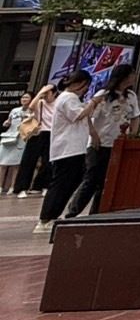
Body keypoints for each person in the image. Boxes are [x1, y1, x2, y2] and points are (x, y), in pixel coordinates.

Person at [66, 63, 140, 217]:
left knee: (107, 181)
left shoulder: (131, 96)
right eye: (131, 74)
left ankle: (96, 213)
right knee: (92, 178)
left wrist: (133, 134)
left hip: (118, 143)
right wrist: (93, 134)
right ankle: (73, 211)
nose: (134, 77)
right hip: (100, 143)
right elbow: (88, 115)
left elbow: (135, 117)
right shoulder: (103, 94)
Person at [35, 71, 104, 234]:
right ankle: (46, 218)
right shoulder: (68, 98)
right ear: (79, 83)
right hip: (67, 149)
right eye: (85, 85)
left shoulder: (71, 98)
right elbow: (78, 115)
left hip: (74, 149)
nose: (86, 89)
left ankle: (52, 216)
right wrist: (93, 102)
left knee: (70, 182)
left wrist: (93, 133)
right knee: (61, 184)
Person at [15, 83, 56, 197]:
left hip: (51, 133)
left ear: (54, 93)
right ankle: (22, 188)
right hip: (37, 132)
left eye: (48, 93)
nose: (46, 95)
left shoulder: (58, 103)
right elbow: (31, 107)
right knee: (28, 161)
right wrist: (40, 93)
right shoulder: (40, 102)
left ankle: (42, 186)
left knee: (48, 162)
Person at [0, 91, 30, 193]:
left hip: (21, 138)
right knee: (3, 163)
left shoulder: (32, 111)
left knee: (15, 165)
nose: (24, 99)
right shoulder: (14, 110)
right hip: (9, 137)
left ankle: (12, 187)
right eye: (23, 97)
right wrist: (7, 123)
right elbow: (8, 122)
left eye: (27, 97)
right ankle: (0, 186)